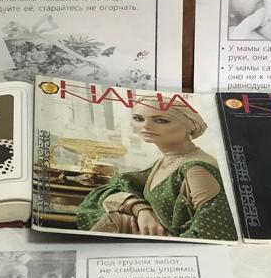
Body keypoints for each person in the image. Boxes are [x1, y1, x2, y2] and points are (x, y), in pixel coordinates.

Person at [75, 98, 237, 241]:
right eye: (138, 119)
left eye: (161, 120)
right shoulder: (165, 161)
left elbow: (213, 233)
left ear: (189, 126)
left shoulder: (197, 170)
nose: (145, 126)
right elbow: (120, 185)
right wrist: (141, 209)